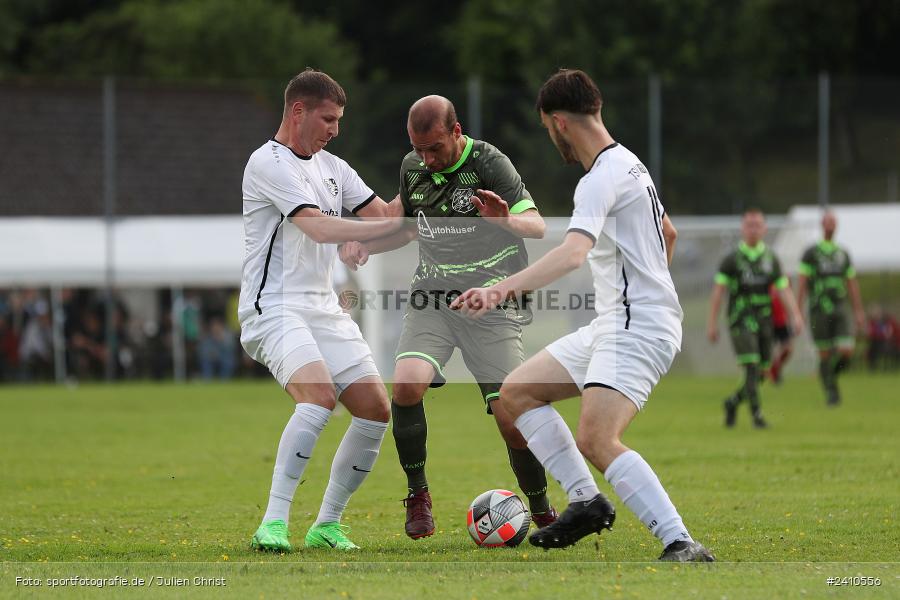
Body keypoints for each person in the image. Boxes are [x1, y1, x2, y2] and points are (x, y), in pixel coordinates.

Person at [452, 69, 714, 562]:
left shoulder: (598, 178)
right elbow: (669, 234)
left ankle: (680, 541)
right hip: (624, 321)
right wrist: (508, 222)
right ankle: (586, 501)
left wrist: (498, 290)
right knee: (516, 394)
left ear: (558, 122)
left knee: (596, 437)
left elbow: (573, 255)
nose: (553, 139)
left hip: (637, 325)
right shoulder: (630, 164)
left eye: (548, 130)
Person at [340, 95, 556, 539]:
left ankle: (540, 508)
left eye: (434, 147)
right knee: (405, 386)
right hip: (432, 298)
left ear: (457, 132)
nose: (426, 158)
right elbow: (405, 229)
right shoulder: (413, 167)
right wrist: (366, 243)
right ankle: (418, 495)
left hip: (490, 301)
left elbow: (537, 226)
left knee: (511, 418)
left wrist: (505, 220)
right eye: (418, 149)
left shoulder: (490, 163)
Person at [238, 68, 402, 552]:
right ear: (298, 111)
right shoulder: (268, 163)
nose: (335, 129)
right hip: (274, 307)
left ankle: (327, 525)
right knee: (318, 396)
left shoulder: (335, 167)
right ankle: (273, 522)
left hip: (322, 307)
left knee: (375, 410)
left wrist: (430, 182)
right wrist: (354, 235)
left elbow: (387, 220)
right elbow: (317, 228)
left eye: (338, 120)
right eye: (328, 118)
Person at [707, 209, 803, 428]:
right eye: (749, 225)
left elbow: (784, 290)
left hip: (765, 322)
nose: (753, 229)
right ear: (742, 229)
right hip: (740, 321)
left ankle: (732, 402)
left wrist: (795, 315)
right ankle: (757, 415)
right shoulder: (732, 260)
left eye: (757, 225)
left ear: (764, 229)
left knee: (762, 372)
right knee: (751, 366)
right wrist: (712, 324)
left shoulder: (771, 259)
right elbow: (718, 293)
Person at [796, 212, 865, 405]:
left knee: (846, 350)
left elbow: (851, 282)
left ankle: (827, 376)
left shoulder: (842, 253)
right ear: (822, 225)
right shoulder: (811, 253)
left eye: (833, 222)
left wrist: (858, 311)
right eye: (828, 222)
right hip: (818, 309)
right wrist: (797, 310)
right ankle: (831, 392)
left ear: (837, 226)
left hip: (840, 307)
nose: (831, 226)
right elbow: (802, 282)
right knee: (824, 352)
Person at [768, 285, 794, 384]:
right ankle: (767, 373)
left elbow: (788, 298)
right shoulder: (763, 280)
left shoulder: (782, 282)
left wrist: (792, 316)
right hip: (767, 321)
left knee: (788, 349)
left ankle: (775, 367)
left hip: (781, 322)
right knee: (765, 351)